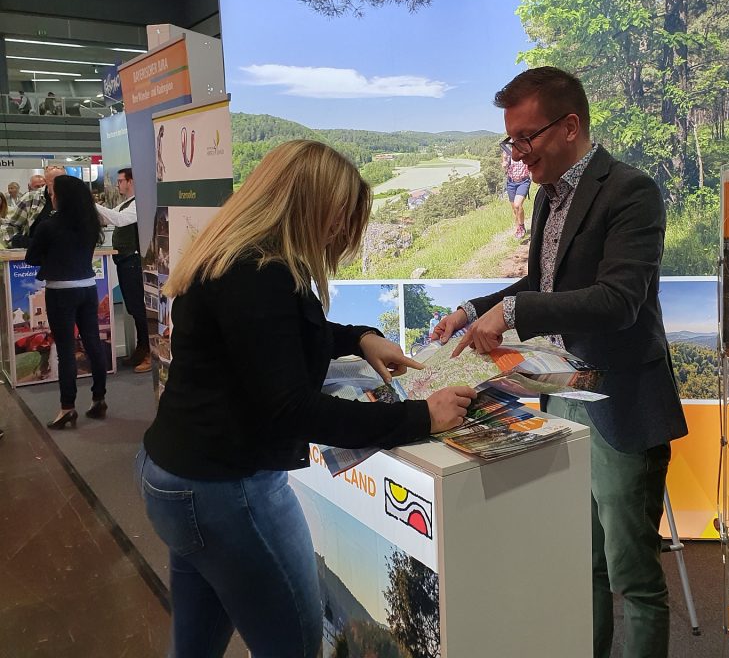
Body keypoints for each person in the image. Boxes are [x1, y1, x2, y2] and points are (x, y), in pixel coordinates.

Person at [136, 139, 476, 657]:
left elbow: (279, 335)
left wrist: (360, 336)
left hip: (175, 476)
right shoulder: (259, 274)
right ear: (306, 203)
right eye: (339, 216)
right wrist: (422, 416)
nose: (342, 232)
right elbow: (292, 408)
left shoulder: (240, 259)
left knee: (197, 643)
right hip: (227, 490)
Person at [432, 67, 687, 658]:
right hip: (564, 392)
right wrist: (474, 310)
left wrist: (515, 311)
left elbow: (618, 300)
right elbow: (544, 280)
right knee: (583, 564)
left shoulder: (632, 191)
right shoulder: (550, 195)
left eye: (527, 137)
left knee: (632, 578)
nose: (518, 154)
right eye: (511, 141)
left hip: (621, 404)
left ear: (570, 126)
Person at [25, 175, 109, 429]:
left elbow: (31, 258)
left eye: (52, 192)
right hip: (88, 287)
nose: (50, 196)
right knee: (93, 343)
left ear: (60, 196)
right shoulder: (90, 224)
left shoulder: (49, 226)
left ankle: (67, 407)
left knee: (65, 350)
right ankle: (99, 398)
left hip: (60, 292)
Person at [95, 168, 151, 373]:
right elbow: (110, 217)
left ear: (131, 181)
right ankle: (143, 347)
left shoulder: (139, 203)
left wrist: (89, 204)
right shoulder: (126, 204)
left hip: (134, 261)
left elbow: (118, 220)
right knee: (134, 308)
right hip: (125, 261)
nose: (118, 184)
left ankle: (148, 351)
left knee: (138, 308)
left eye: (120, 181)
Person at [2, 165, 65, 248]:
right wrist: (22, 243)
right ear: (46, 182)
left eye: (63, 181)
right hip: (33, 254)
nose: (58, 185)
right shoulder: (30, 198)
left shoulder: (73, 199)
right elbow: (9, 227)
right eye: (53, 181)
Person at [502, 145, 532, 238]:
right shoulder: (507, 149)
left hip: (524, 181)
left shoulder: (525, 147)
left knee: (517, 205)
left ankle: (522, 227)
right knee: (515, 210)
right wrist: (504, 164)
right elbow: (504, 164)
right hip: (511, 182)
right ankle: (518, 229)